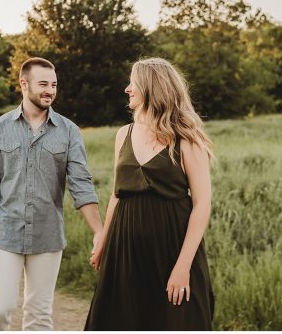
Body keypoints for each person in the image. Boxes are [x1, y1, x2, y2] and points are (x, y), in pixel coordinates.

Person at [0, 57, 103, 330]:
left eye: (54, 85)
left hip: (48, 236)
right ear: (24, 84)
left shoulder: (68, 131)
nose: (50, 91)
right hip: (6, 233)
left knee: (39, 314)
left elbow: (82, 184)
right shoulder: (0, 127)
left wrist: (99, 232)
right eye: (43, 84)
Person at [85, 57, 215, 330]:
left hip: (171, 250)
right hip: (125, 252)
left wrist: (183, 266)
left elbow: (202, 204)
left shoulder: (188, 139)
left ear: (151, 87)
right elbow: (116, 195)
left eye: (133, 83)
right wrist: (104, 241)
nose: (127, 89)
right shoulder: (124, 134)